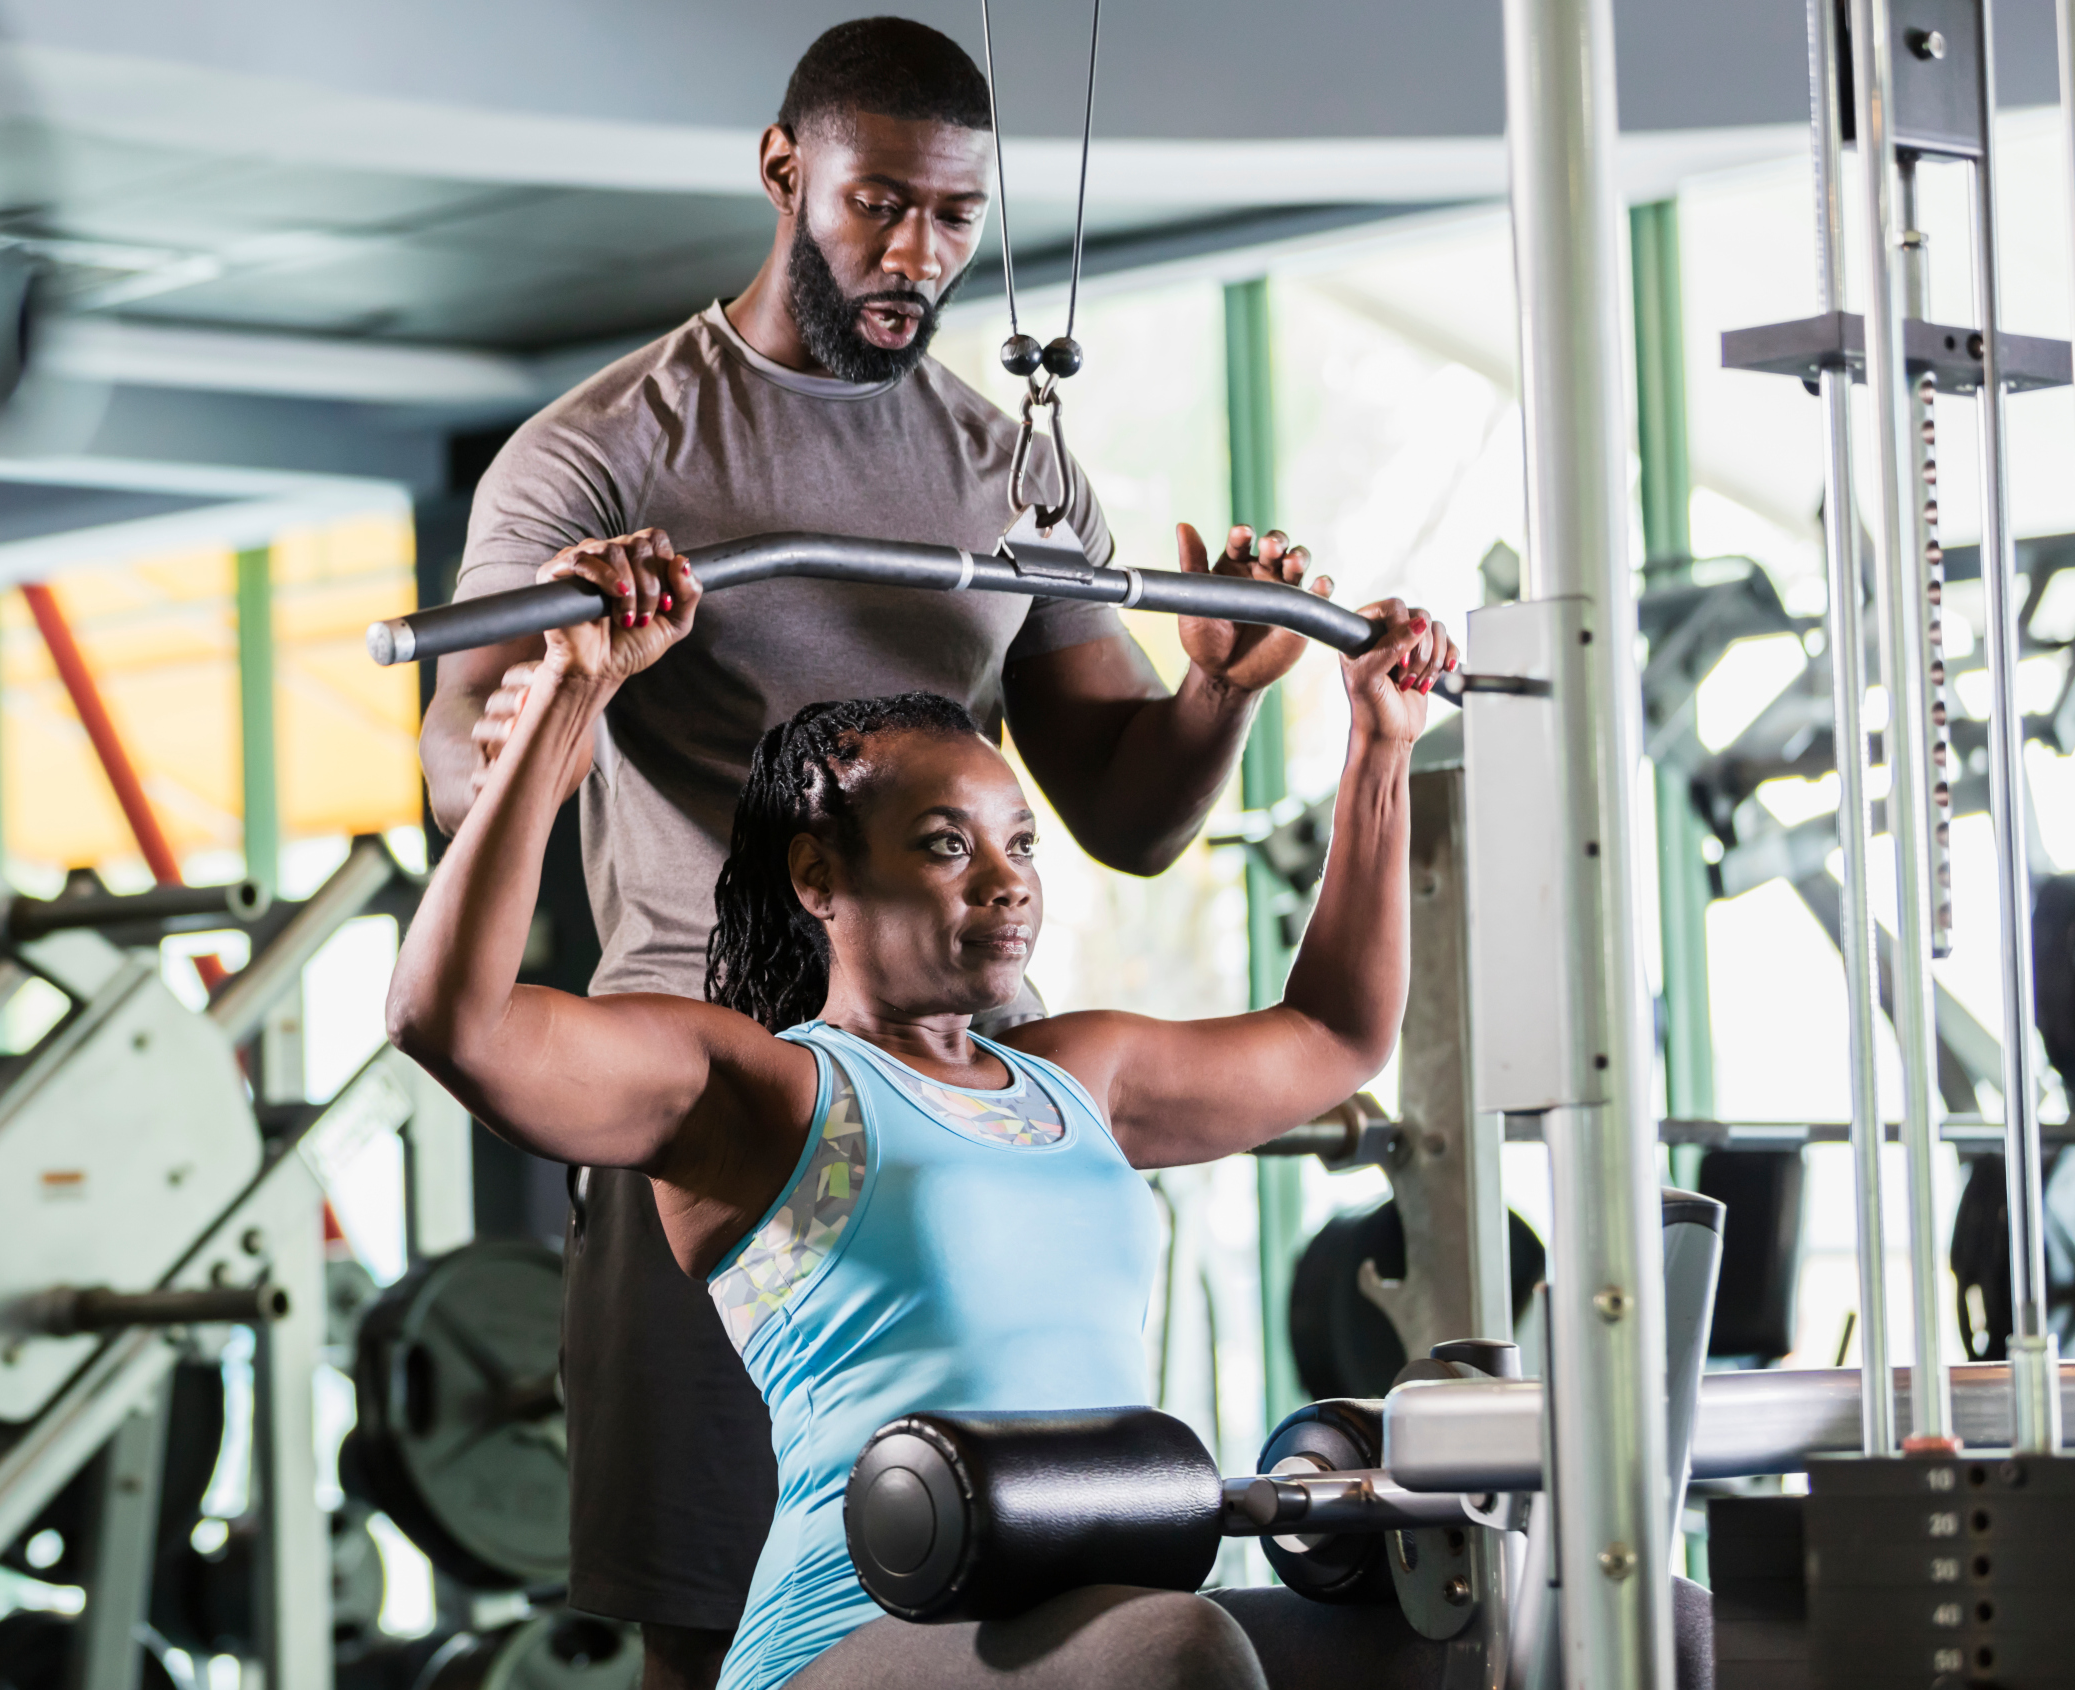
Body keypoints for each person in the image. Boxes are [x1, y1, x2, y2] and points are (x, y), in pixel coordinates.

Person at [418, 18, 1324, 1684]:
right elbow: (456, 764)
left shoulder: (1010, 466)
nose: (917, 256)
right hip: (725, 1113)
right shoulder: (605, 451)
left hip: (961, 1115)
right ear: (785, 171)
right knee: (730, 1626)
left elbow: (1123, 812)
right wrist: (543, 703)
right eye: (879, 205)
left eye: (957, 217)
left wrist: (1214, 699)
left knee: (1042, 1604)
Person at [390, 554, 1456, 1690]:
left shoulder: (1076, 1080)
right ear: (817, 876)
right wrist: (566, 694)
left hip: (1100, 1633)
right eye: (949, 844)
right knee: (1180, 1645)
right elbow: (453, 1021)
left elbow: (1335, 1032)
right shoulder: (763, 1095)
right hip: (849, 1646)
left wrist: (1380, 741)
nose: (1007, 882)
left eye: (1020, 843)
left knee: (1485, 1636)